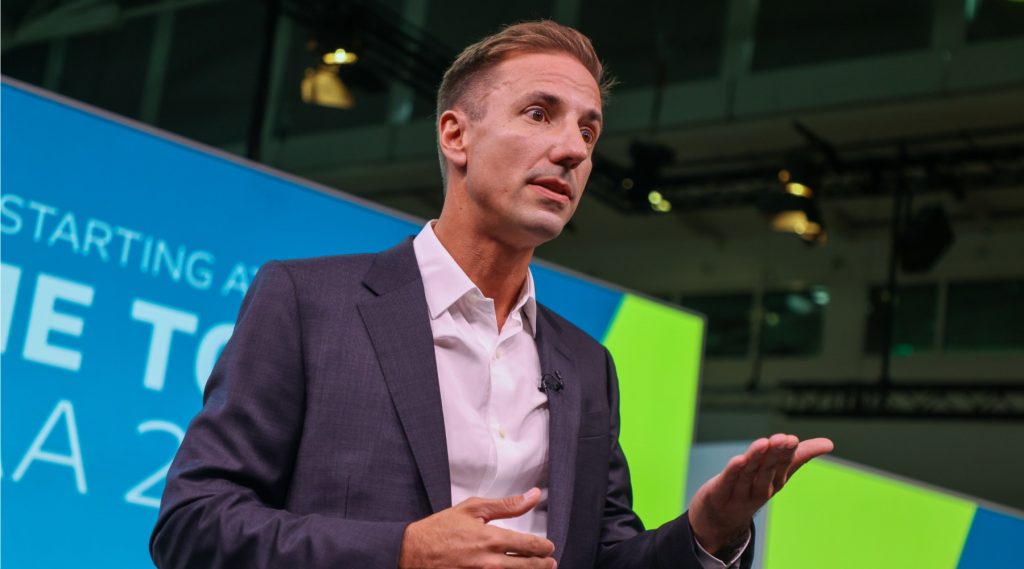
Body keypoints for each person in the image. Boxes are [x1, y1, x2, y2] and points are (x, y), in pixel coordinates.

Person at [150, 20, 833, 569]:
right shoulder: (307, 302)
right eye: (540, 113)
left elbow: (605, 557)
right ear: (457, 135)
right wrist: (402, 551)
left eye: (588, 130)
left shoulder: (587, 365)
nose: (573, 149)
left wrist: (708, 531)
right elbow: (192, 525)